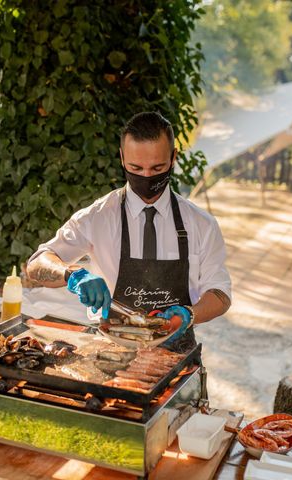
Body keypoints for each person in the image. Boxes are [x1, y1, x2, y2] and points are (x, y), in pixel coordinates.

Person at [26, 111, 231, 353]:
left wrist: (189, 314)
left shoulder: (201, 224)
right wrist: (72, 275)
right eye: (136, 167)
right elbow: (37, 263)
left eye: (157, 168)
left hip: (177, 352)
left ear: (174, 158)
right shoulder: (99, 216)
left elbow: (220, 294)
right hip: (110, 350)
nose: (146, 176)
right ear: (122, 158)